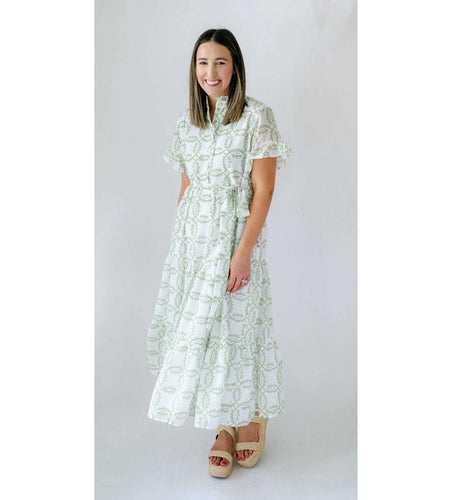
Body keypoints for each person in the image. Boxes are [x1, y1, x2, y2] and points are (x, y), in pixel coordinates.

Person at [146, 28, 294, 478]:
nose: (210, 72)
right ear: (194, 69)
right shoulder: (186, 123)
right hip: (193, 244)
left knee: (238, 328)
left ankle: (251, 417)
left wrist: (243, 252)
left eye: (220, 62)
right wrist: (180, 250)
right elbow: (187, 188)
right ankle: (224, 424)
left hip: (234, 241)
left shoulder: (256, 117)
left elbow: (264, 190)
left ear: (235, 67)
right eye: (202, 62)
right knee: (208, 336)